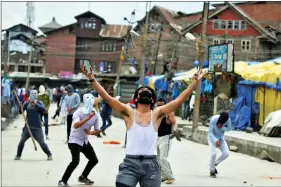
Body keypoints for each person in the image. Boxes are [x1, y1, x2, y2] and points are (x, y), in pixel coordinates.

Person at [81, 64, 206, 187]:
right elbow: (107, 98)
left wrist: (194, 83)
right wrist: (92, 79)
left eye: (148, 91)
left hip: (151, 163)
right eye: (142, 90)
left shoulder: (157, 114)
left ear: (152, 100)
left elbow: (178, 101)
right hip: (130, 163)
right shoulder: (129, 112)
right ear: (136, 98)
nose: (145, 91)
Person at [58, 93, 101, 187]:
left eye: (92, 99)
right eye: (88, 99)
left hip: (84, 141)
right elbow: (76, 125)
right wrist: (88, 118)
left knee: (94, 160)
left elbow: (98, 130)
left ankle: (83, 176)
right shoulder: (78, 112)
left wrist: (90, 133)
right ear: (84, 101)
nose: (90, 100)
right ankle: (62, 181)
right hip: (74, 140)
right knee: (75, 161)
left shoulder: (96, 114)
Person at [14, 89, 52, 160]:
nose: (33, 96)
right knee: (21, 141)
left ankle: (49, 154)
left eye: (35, 94)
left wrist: (36, 105)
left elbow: (45, 111)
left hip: (37, 128)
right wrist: (20, 107)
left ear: (37, 96)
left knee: (42, 143)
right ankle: (18, 155)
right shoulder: (26, 103)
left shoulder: (40, 103)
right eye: (32, 94)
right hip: (27, 128)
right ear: (29, 95)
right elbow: (20, 112)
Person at [156, 98, 180, 184]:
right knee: (157, 159)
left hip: (165, 138)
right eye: (158, 105)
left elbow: (174, 123)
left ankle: (171, 177)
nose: (160, 106)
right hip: (156, 137)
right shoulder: (155, 112)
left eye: (162, 105)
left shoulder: (169, 113)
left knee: (162, 158)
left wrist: (175, 130)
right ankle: (165, 175)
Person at [208, 112, 232, 178]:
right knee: (213, 154)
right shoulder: (213, 119)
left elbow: (229, 128)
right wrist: (215, 140)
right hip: (212, 138)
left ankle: (213, 164)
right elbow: (210, 132)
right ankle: (212, 171)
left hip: (221, 139)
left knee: (226, 153)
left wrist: (222, 127)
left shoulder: (228, 120)